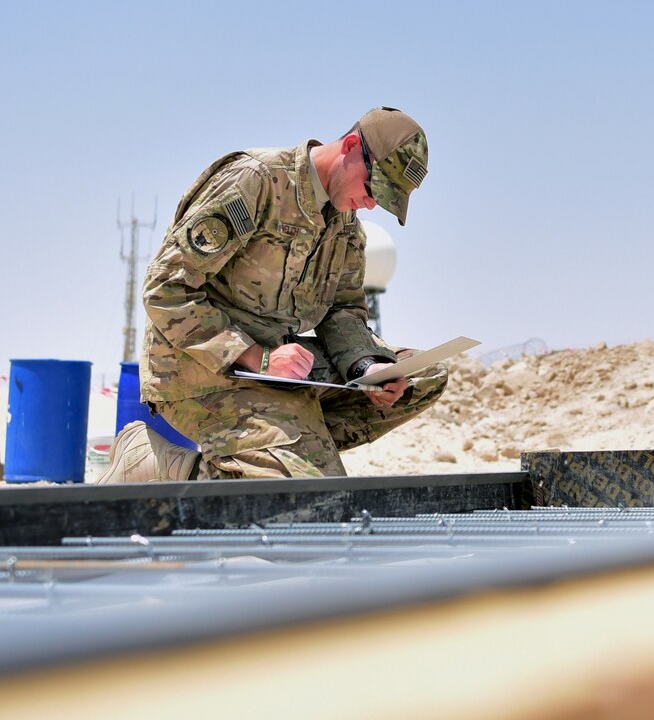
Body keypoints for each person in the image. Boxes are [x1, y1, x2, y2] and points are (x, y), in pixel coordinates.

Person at [103, 107, 445, 482]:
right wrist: (256, 357)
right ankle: (167, 465)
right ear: (349, 147)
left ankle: (282, 440)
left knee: (422, 375)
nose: (370, 204)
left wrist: (367, 368)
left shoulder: (345, 226)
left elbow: (343, 310)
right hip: (200, 371)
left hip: (281, 371)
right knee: (309, 494)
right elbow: (165, 288)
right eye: (371, 188)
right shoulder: (255, 181)